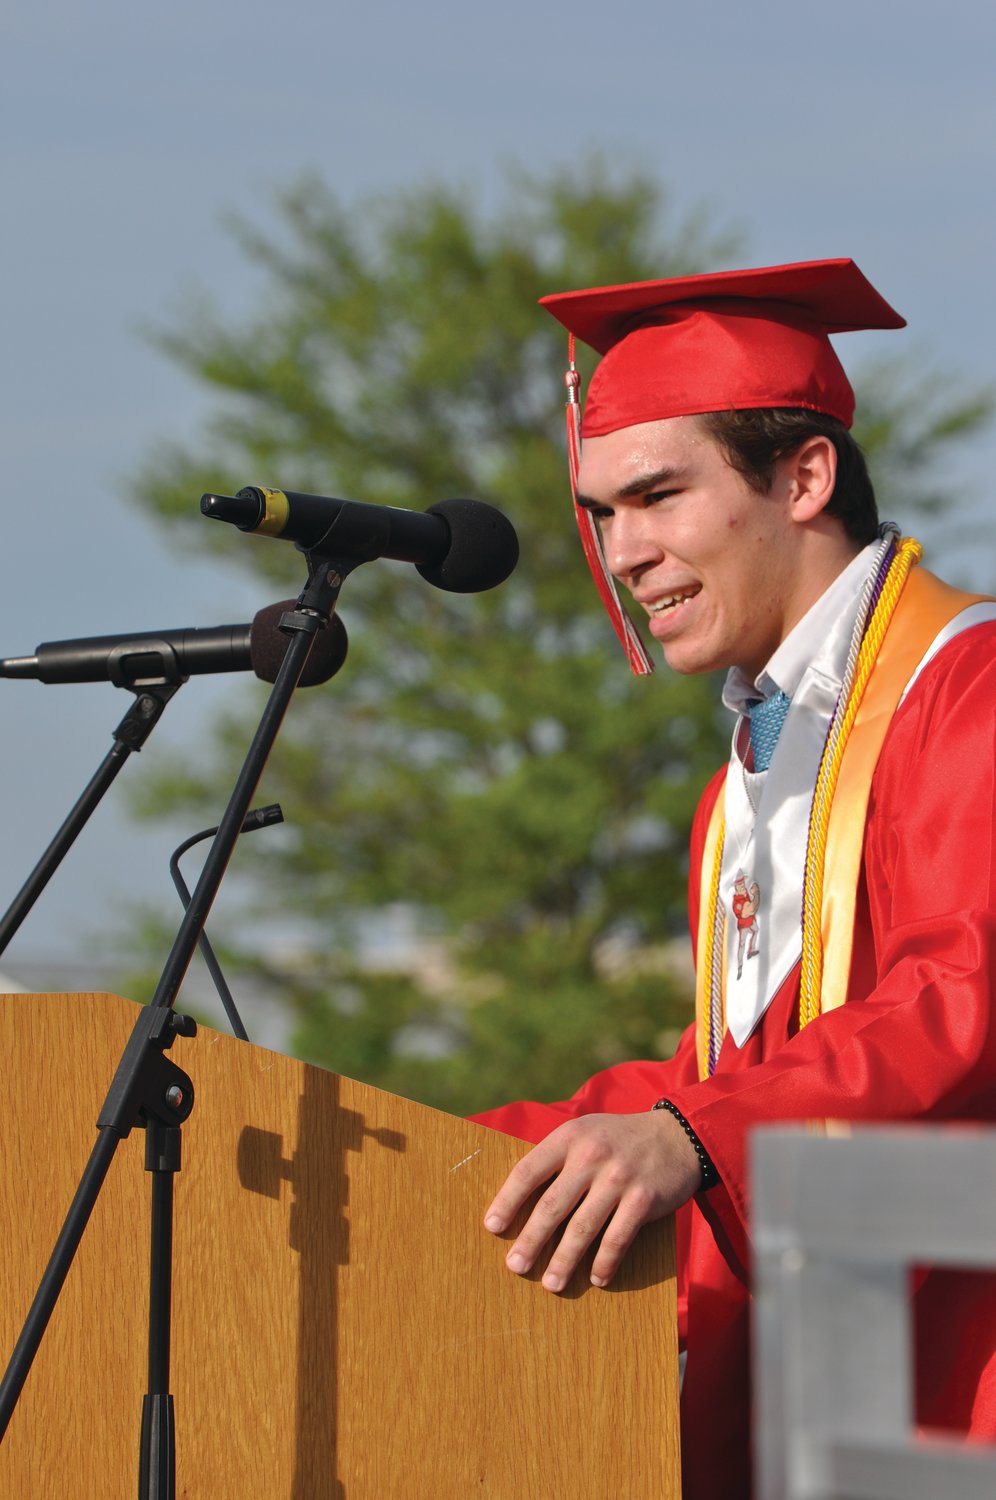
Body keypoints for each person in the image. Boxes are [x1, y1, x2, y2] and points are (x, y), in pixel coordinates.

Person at [472, 259, 996, 1498]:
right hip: (826, 1357)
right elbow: (741, 1072)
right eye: (601, 513)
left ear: (805, 476)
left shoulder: (968, 692)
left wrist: (691, 1135)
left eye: (657, 495)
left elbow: (962, 994)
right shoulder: (753, 772)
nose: (623, 554)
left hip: (958, 1362)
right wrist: (443, 1155)